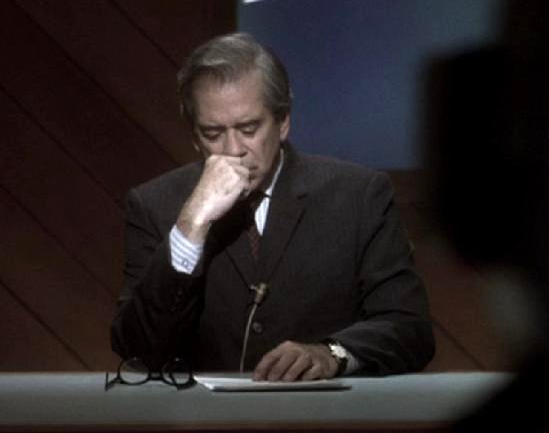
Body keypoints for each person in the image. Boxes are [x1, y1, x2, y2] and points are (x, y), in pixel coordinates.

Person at [110, 32, 435, 381]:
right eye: (212, 133)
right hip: (203, 413)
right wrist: (192, 223)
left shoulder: (358, 195)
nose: (233, 149)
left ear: (283, 123)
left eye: (249, 129)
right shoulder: (155, 205)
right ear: (193, 137)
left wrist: (332, 354)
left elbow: (408, 328)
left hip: (323, 412)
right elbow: (137, 348)